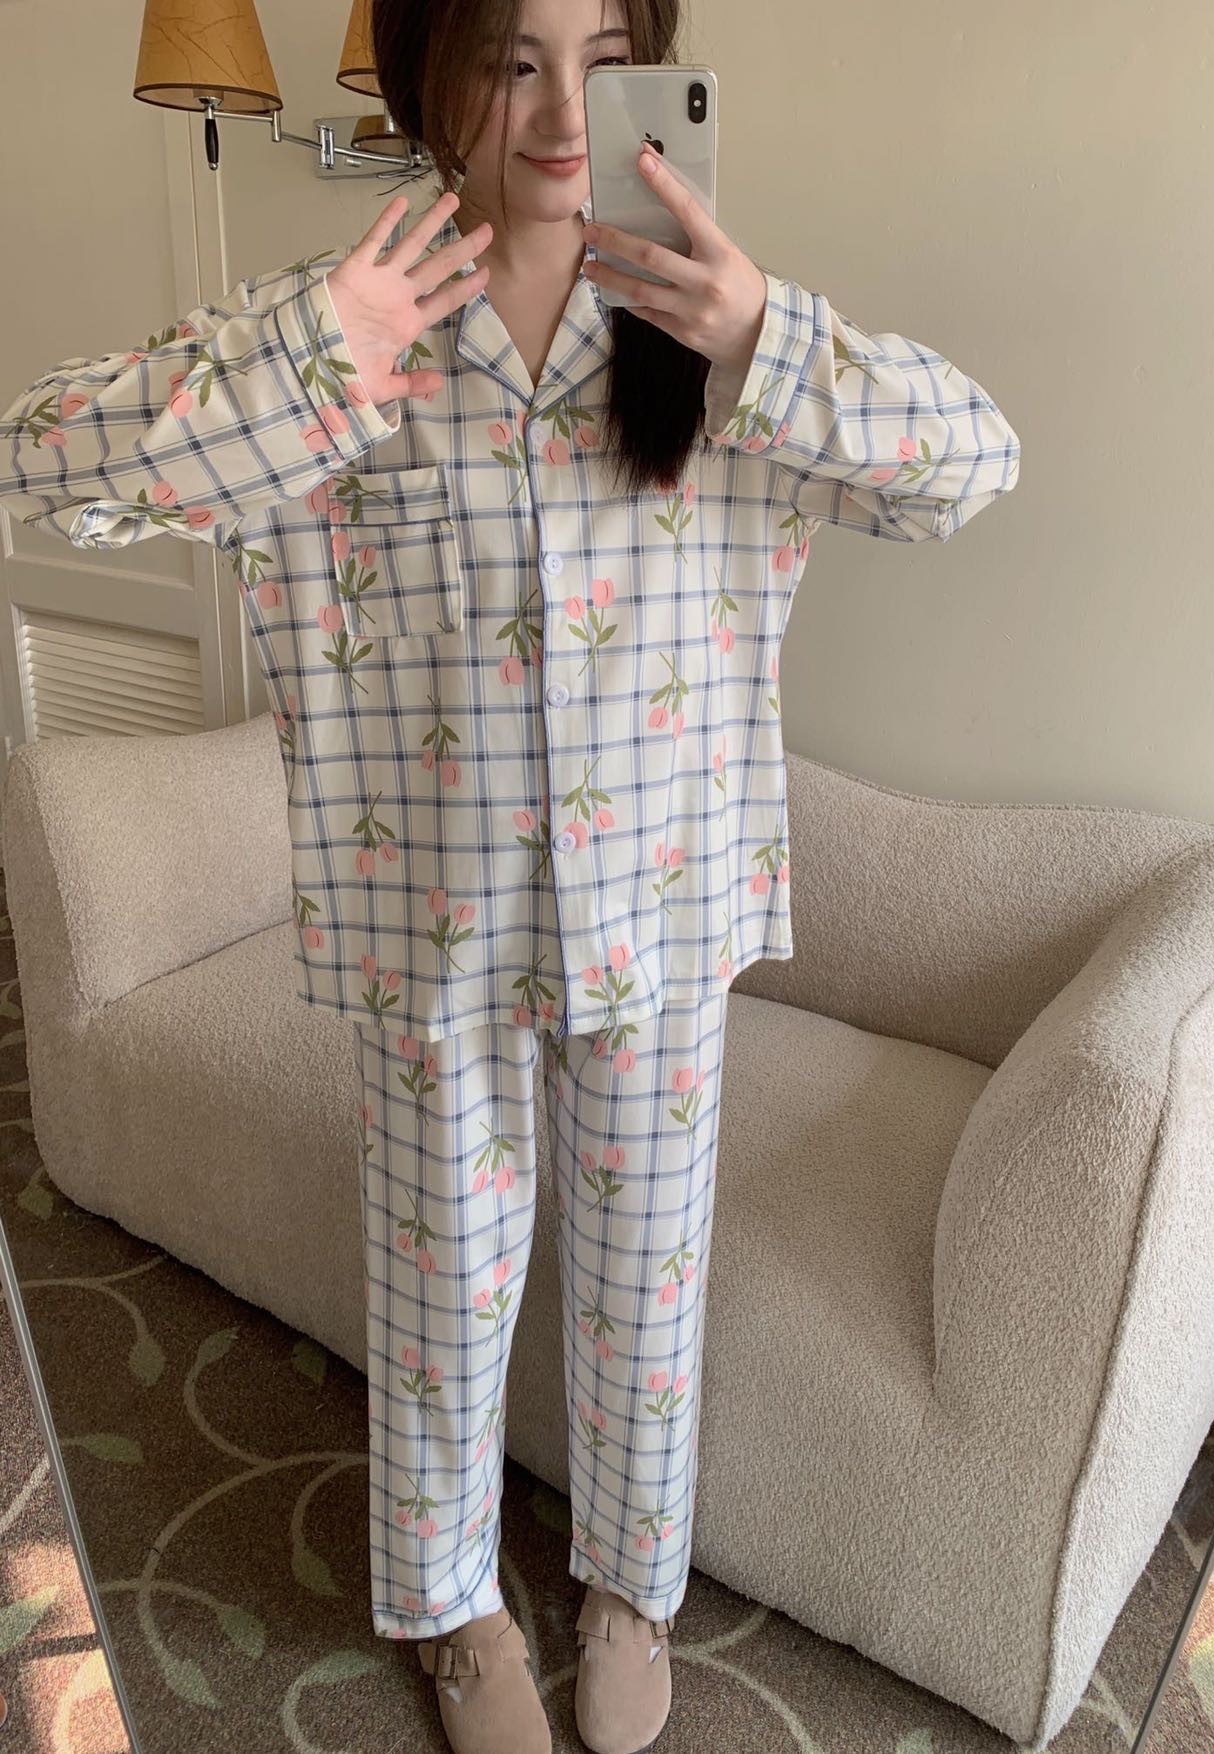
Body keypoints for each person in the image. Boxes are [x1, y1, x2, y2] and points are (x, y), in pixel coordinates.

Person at [0, 1, 1020, 1748]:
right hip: (431, 921)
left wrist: (766, 333)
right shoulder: (349, 330)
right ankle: (452, 1603)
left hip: (664, 910)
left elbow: (974, 464)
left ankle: (631, 1586)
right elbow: (41, 467)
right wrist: (305, 360)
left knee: (647, 1275)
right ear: (430, 78)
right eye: (509, 54)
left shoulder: (708, 335)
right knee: (439, 1288)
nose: (558, 108)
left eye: (602, 51)